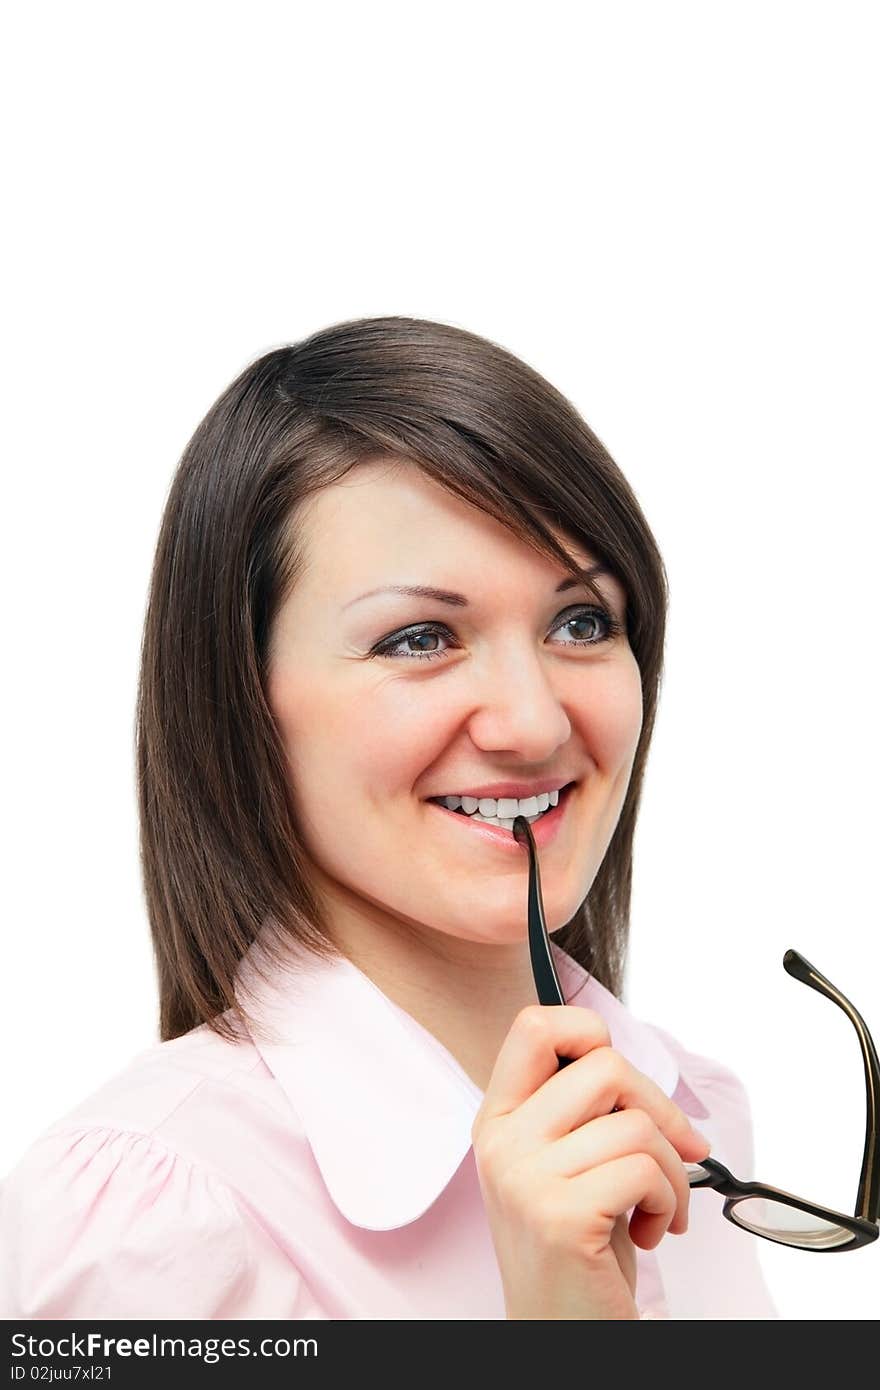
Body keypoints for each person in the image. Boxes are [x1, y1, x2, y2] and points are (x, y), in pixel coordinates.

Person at [0, 316, 780, 1319]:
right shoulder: (150, 1223)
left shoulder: (696, 1118)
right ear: (242, 697)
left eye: (580, 621)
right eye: (419, 638)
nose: (534, 721)